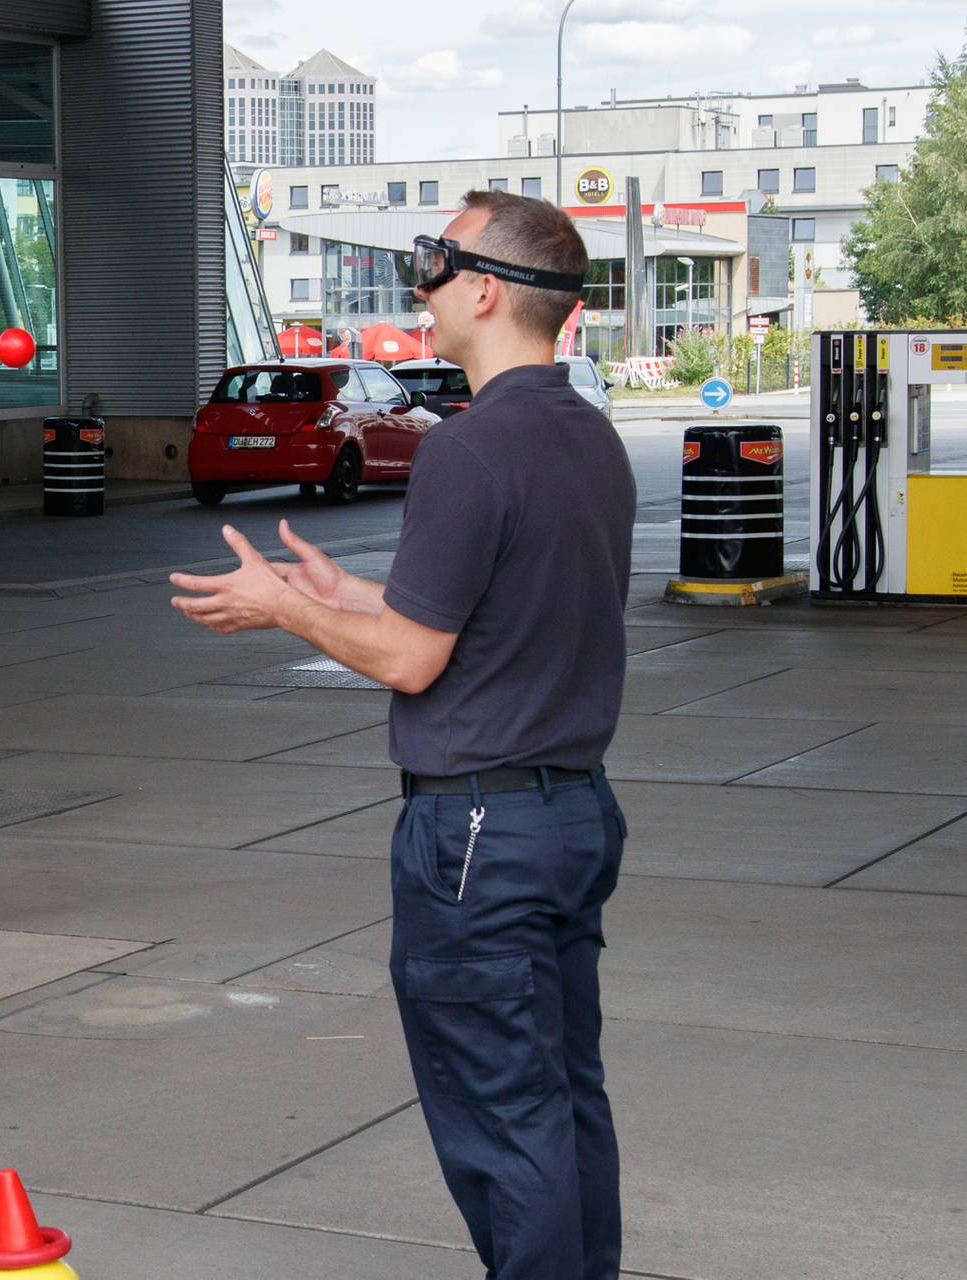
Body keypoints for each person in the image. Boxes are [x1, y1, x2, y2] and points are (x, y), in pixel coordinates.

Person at [169, 192, 632, 1280]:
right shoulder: (586, 436)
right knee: (563, 1098)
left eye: (435, 260)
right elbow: (482, 614)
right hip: (570, 815)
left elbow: (414, 660)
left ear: (486, 289)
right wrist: (354, 589)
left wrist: (287, 608)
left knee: (503, 1120)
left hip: (478, 834)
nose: (418, 285)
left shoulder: (468, 452)